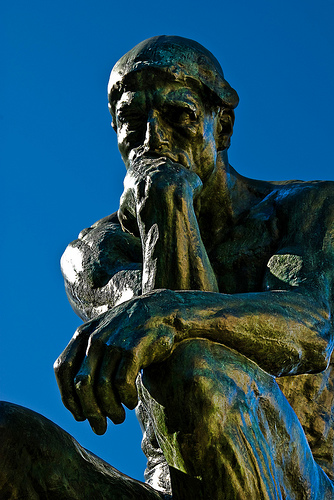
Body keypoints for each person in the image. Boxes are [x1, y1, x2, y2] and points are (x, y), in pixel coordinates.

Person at [1, 35, 334, 499]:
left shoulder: (308, 208)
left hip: (295, 480)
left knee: (197, 368)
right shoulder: (97, 251)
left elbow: (311, 329)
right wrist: (166, 203)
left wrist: (166, 309)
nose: (152, 140)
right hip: (172, 487)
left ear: (223, 127)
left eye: (179, 116)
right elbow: (160, 344)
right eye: (131, 122)